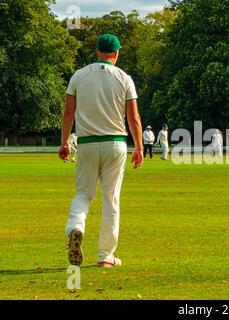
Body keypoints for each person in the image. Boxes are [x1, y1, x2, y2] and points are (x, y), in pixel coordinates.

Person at [59, 34, 144, 268]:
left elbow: (68, 113)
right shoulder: (125, 78)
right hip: (115, 143)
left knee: (83, 193)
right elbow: (133, 117)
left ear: (97, 52)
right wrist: (139, 146)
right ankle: (105, 256)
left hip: (86, 143)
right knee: (111, 198)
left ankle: (76, 226)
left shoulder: (78, 75)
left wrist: (65, 142)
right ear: (117, 53)